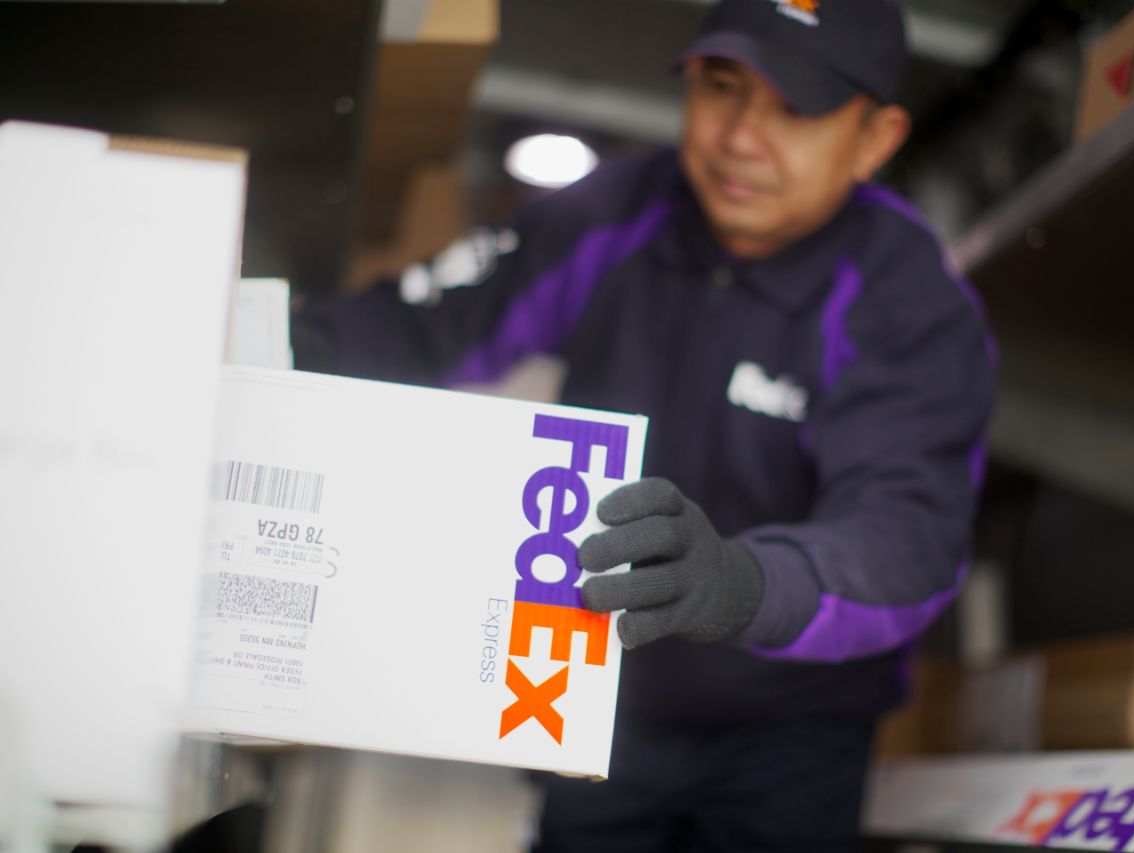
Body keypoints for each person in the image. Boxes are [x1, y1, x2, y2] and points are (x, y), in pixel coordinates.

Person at [292, 0, 997, 849]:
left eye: (795, 107)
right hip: (608, 706)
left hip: (793, 738)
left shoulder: (912, 307)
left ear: (875, 139)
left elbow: (908, 543)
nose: (739, 136)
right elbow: (413, 330)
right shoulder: (611, 212)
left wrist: (743, 584)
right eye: (722, 86)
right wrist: (234, 338)